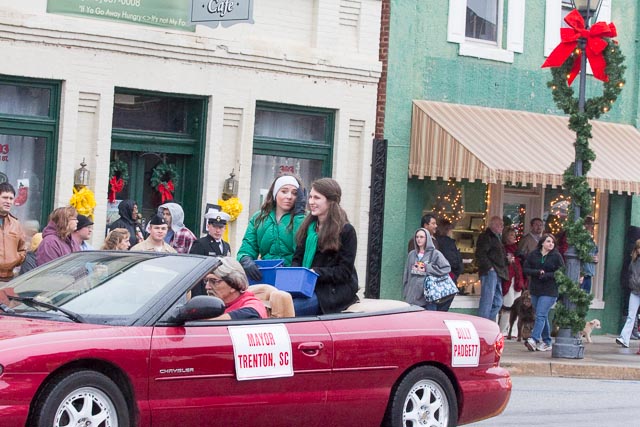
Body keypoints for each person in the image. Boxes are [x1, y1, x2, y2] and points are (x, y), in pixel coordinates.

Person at [291, 178, 358, 315]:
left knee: (291, 310)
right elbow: (297, 258)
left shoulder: (346, 231)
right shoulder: (308, 228)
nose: (311, 202)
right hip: (305, 287)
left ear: (330, 201)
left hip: (332, 292)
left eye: (317, 198)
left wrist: (315, 272)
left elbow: (344, 271)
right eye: (310, 197)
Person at [237, 174, 306, 281]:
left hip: (293, 277)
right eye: (284, 191)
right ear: (275, 193)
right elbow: (247, 247)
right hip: (265, 275)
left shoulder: (304, 218)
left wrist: (299, 216)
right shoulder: (259, 218)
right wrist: (246, 260)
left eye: (295, 193)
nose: (289, 196)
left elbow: (301, 246)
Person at [522, 233, 565, 352]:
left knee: (540, 314)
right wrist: (537, 272)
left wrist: (547, 275)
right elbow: (526, 269)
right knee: (543, 315)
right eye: (548, 241)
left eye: (552, 242)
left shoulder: (556, 256)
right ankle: (547, 341)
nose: (551, 244)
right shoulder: (533, 255)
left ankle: (534, 339)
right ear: (542, 243)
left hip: (550, 290)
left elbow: (561, 272)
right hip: (535, 289)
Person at [403, 228, 453, 311]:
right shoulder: (412, 254)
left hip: (428, 297)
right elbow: (406, 273)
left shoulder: (435, 253)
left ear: (427, 239)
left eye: (421, 237)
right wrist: (406, 291)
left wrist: (427, 268)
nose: (419, 239)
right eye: (417, 237)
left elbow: (446, 268)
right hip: (412, 297)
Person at [203, 257, 268, 320]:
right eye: (206, 281)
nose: (207, 287)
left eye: (214, 281)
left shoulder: (253, 306)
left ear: (233, 284)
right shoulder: (215, 306)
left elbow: (250, 314)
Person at [189, 208, 232, 296]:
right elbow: (194, 272)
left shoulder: (226, 246)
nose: (218, 230)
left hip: (220, 290)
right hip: (204, 289)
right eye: (215, 227)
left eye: (221, 227)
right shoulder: (200, 244)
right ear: (208, 226)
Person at [475, 216, 509, 321]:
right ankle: (482, 325)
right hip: (490, 272)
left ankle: (488, 323)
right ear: (493, 225)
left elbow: (497, 255)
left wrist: (506, 259)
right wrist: (489, 267)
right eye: (500, 225)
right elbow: (480, 253)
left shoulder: (497, 237)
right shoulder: (486, 236)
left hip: (499, 271)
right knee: (487, 300)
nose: (502, 227)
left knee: (498, 302)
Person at [499, 227, 525, 336]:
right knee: (508, 304)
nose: (513, 237)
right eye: (511, 235)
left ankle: (514, 331)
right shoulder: (503, 249)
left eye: (514, 235)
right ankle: (502, 330)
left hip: (517, 280)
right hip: (508, 279)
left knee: (517, 306)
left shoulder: (517, 250)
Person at [616, 239, 640, 348]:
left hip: (636, 289)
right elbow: (630, 273)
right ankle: (624, 338)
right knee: (631, 316)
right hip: (635, 291)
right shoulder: (634, 261)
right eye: (638, 248)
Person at [0, 182, 26, 281]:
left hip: (9, 278)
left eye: (11, 198)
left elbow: (22, 249)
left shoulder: (16, 224)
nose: (8, 201)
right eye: (5, 197)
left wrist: (16, 259)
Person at [435, 218, 463, 283]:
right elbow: (451, 259)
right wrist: (457, 269)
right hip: (449, 273)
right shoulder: (448, 243)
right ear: (447, 230)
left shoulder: (435, 240)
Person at [580, 216, 599, 293]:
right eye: (590, 225)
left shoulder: (591, 240)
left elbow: (595, 254)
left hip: (589, 273)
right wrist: (580, 274)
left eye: (592, 225)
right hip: (582, 273)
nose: (592, 228)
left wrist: (596, 259)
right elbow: (578, 255)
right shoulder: (580, 240)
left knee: (585, 298)